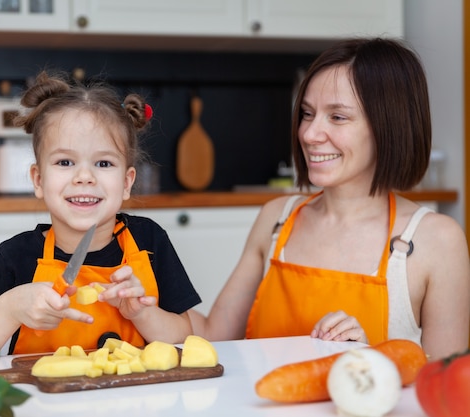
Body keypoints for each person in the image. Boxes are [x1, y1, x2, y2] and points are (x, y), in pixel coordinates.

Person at [190, 37, 470, 361]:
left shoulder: (436, 241)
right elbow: (212, 337)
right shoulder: (276, 219)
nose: (309, 134)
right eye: (307, 114)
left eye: (337, 117)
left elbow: (448, 394)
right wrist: (141, 305)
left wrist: (372, 360)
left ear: (388, 126)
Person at [0, 71, 200, 357]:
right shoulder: (16, 257)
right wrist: (10, 309)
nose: (84, 176)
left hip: (133, 400)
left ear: (127, 182)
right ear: (39, 180)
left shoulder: (149, 240)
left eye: (103, 163)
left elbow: (183, 337)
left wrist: (142, 313)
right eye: (65, 161)